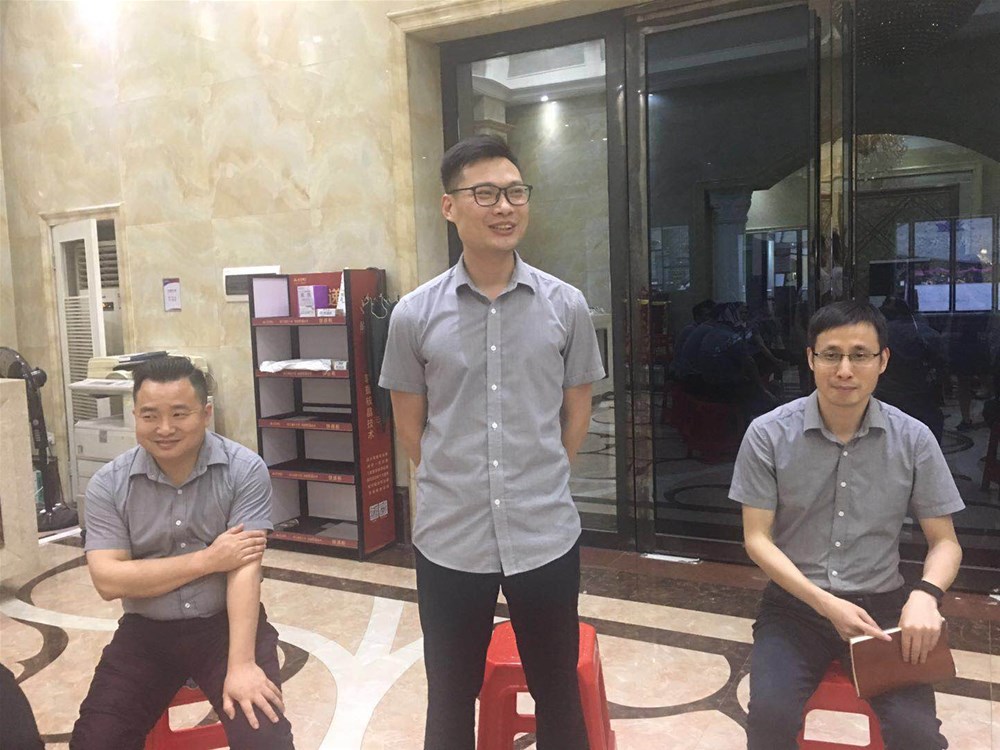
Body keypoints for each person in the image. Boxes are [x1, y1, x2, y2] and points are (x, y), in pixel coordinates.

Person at [380, 134, 605, 750]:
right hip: (450, 537)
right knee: (450, 697)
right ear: (449, 206)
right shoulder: (413, 314)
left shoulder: (566, 305)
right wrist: (454, 480)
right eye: (485, 194)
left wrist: (542, 473)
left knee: (558, 692)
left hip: (544, 532)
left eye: (514, 192)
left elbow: (577, 410)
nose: (504, 207)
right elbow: (409, 425)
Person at [730, 301, 964, 750]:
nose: (844, 370)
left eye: (860, 355)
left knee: (917, 736)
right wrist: (825, 604)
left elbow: (945, 543)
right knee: (769, 720)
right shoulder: (768, 434)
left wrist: (925, 595)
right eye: (831, 354)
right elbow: (757, 538)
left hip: (884, 610)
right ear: (810, 358)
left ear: (883, 360)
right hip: (795, 609)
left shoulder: (913, 438)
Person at [71, 356, 294, 750]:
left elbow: (244, 569)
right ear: (135, 416)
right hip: (146, 633)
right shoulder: (109, 484)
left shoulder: (243, 470)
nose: (164, 428)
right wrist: (207, 560)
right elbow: (108, 580)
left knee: (265, 736)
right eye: (150, 415)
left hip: (227, 626)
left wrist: (242, 664)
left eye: (179, 413)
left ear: (205, 413)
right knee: (96, 740)